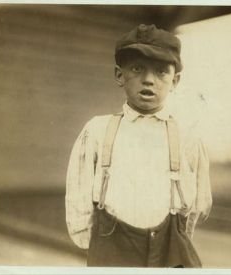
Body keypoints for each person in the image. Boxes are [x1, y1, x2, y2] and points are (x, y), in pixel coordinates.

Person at [65, 24, 212, 268]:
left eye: (161, 72)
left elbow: (197, 205)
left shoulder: (186, 137)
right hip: (112, 252)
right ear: (119, 75)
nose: (148, 80)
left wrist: (176, 240)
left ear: (175, 81)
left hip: (168, 251)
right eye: (137, 68)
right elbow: (78, 195)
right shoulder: (98, 130)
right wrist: (94, 247)